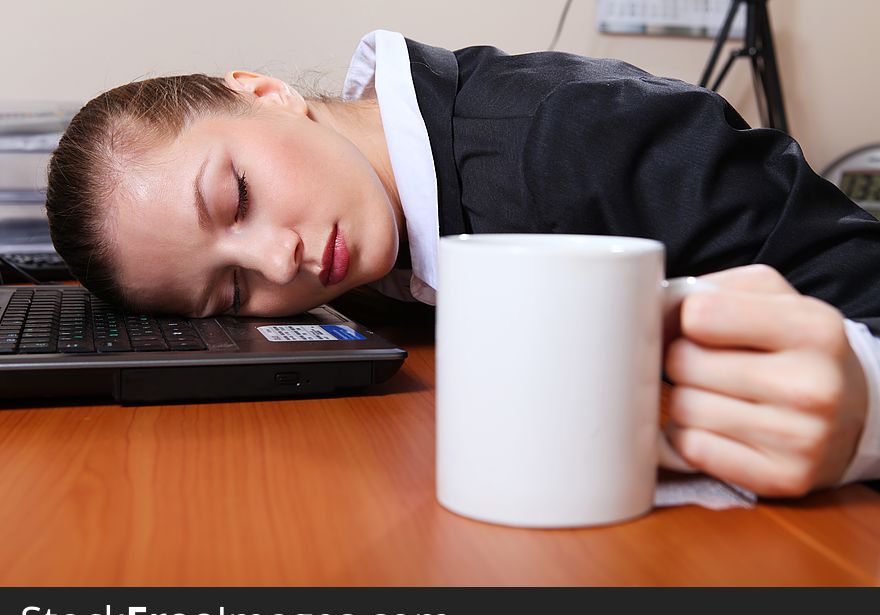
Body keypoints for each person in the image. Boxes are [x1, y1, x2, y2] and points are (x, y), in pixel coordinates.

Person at [45, 30, 880, 497]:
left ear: (265, 92)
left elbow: (860, 284)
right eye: (232, 288)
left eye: (235, 196)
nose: (280, 259)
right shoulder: (378, 228)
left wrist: (863, 406)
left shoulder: (572, 137)